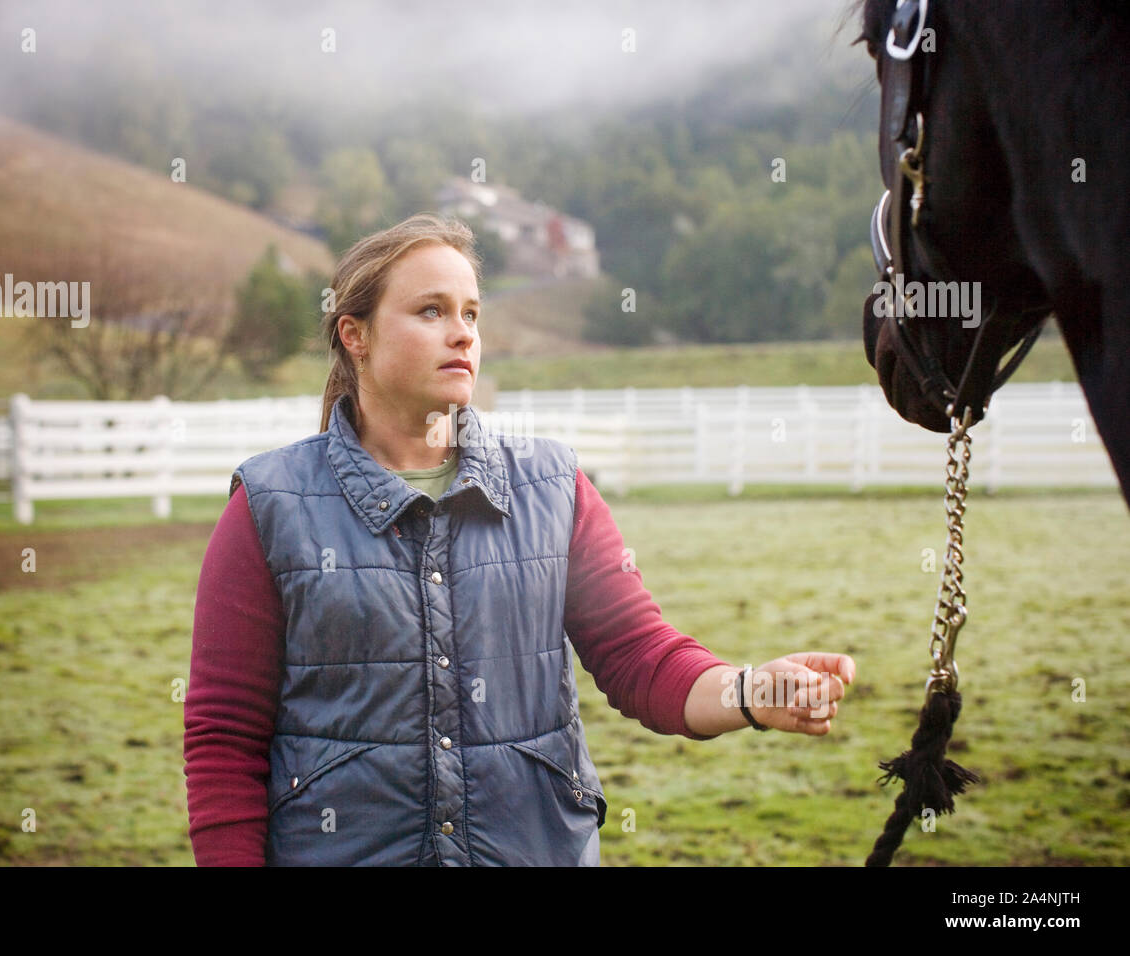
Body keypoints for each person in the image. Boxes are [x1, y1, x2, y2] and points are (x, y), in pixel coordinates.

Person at [182, 213, 856, 866]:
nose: (462, 335)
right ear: (354, 335)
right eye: (431, 312)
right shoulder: (270, 506)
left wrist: (747, 692)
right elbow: (224, 738)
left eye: (471, 314)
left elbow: (639, 658)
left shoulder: (553, 486)